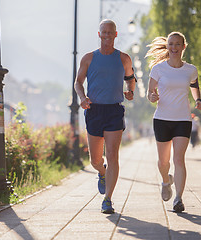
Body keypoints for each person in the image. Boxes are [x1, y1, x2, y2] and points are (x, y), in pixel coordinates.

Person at [74, 19, 136, 214]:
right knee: (95, 160)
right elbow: (78, 82)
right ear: (99, 34)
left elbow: (130, 78)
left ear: (115, 35)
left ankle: (107, 199)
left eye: (111, 32)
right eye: (104, 32)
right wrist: (82, 98)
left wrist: (130, 91)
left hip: (114, 111)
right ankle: (102, 172)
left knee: (112, 155)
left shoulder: (124, 58)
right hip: (94, 110)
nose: (107, 35)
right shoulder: (88, 58)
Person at [145, 32, 201, 213]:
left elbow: (194, 85)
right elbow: (150, 93)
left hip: (182, 120)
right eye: (171, 44)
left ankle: (178, 198)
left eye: (178, 44)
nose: (174, 47)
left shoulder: (190, 70)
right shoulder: (158, 69)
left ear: (183, 47)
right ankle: (165, 181)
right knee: (163, 162)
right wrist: (152, 96)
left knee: (179, 159)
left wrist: (198, 100)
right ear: (167, 46)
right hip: (162, 119)